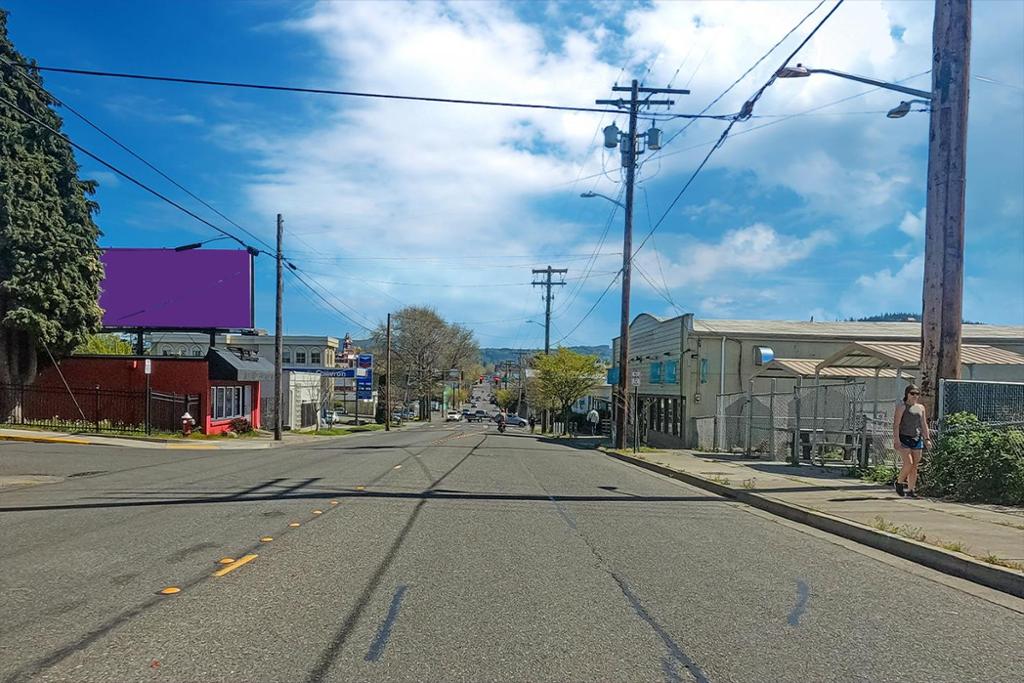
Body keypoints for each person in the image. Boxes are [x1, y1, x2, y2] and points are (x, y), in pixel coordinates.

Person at [893, 384, 931, 498]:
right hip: (904, 437)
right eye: (912, 393)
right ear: (907, 394)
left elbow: (924, 424)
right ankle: (899, 482)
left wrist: (927, 438)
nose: (915, 396)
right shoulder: (902, 407)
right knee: (908, 463)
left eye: (917, 394)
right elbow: (896, 424)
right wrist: (896, 440)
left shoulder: (920, 408)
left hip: (916, 437)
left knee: (914, 465)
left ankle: (911, 489)